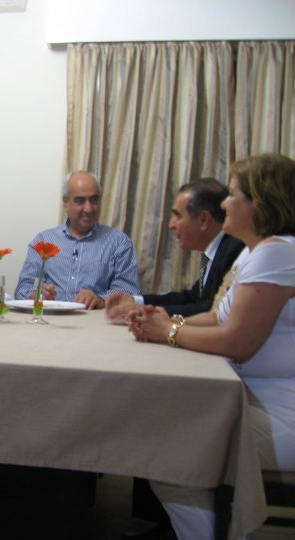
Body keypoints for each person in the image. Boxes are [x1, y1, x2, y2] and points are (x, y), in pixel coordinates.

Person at [128, 153, 295, 540]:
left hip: (279, 413)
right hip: (250, 398)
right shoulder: (259, 250)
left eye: (233, 194)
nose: (224, 204)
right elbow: (219, 316)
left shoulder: (277, 252)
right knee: (163, 420)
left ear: (260, 203)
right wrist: (164, 321)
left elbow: (236, 341)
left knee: (163, 446)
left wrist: (166, 331)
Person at [106, 178, 245, 321]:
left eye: (178, 215)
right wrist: (135, 301)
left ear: (204, 220)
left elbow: (209, 310)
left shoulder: (233, 251)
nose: (171, 224)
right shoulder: (219, 249)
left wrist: (146, 311)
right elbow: (190, 298)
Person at [14, 171, 140, 309]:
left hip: (94, 320)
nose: (88, 208)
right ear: (65, 203)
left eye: (94, 200)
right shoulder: (43, 241)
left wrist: (101, 300)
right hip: (50, 319)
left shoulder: (119, 243)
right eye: (80, 200)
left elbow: (128, 292)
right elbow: (21, 290)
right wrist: (35, 294)